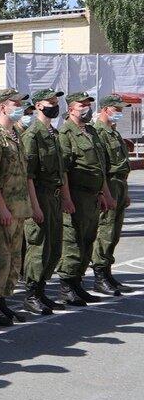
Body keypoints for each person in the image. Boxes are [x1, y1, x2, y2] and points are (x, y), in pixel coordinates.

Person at [0, 90, 35, 326]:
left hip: (18, 207)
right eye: (15, 104)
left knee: (12, 258)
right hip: (4, 208)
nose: (20, 107)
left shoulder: (16, 133)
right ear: (3, 107)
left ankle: (3, 301)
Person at [57, 92, 115, 306]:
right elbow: (63, 171)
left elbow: (98, 166)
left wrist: (104, 193)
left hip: (92, 195)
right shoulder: (65, 133)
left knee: (88, 240)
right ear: (71, 109)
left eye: (88, 104)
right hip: (76, 194)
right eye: (81, 105)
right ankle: (66, 286)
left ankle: (77, 282)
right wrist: (66, 198)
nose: (86, 108)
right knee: (73, 240)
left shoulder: (91, 131)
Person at [22, 89, 75, 315]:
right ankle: (32, 294)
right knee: (38, 247)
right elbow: (28, 176)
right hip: (40, 195)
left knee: (53, 248)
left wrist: (66, 198)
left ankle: (42, 291)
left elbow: (62, 171)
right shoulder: (32, 135)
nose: (55, 104)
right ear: (38, 106)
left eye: (56, 101)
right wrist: (34, 206)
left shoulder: (53, 133)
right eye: (50, 102)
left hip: (54, 196)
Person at [91, 95, 132, 295]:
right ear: (106, 109)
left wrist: (125, 191)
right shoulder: (99, 132)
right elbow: (100, 167)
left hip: (119, 184)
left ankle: (107, 272)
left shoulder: (113, 132)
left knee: (114, 232)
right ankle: (99, 275)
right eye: (117, 109)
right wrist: (104, 192)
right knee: (105, 231)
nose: (120, 113)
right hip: (108, 183)